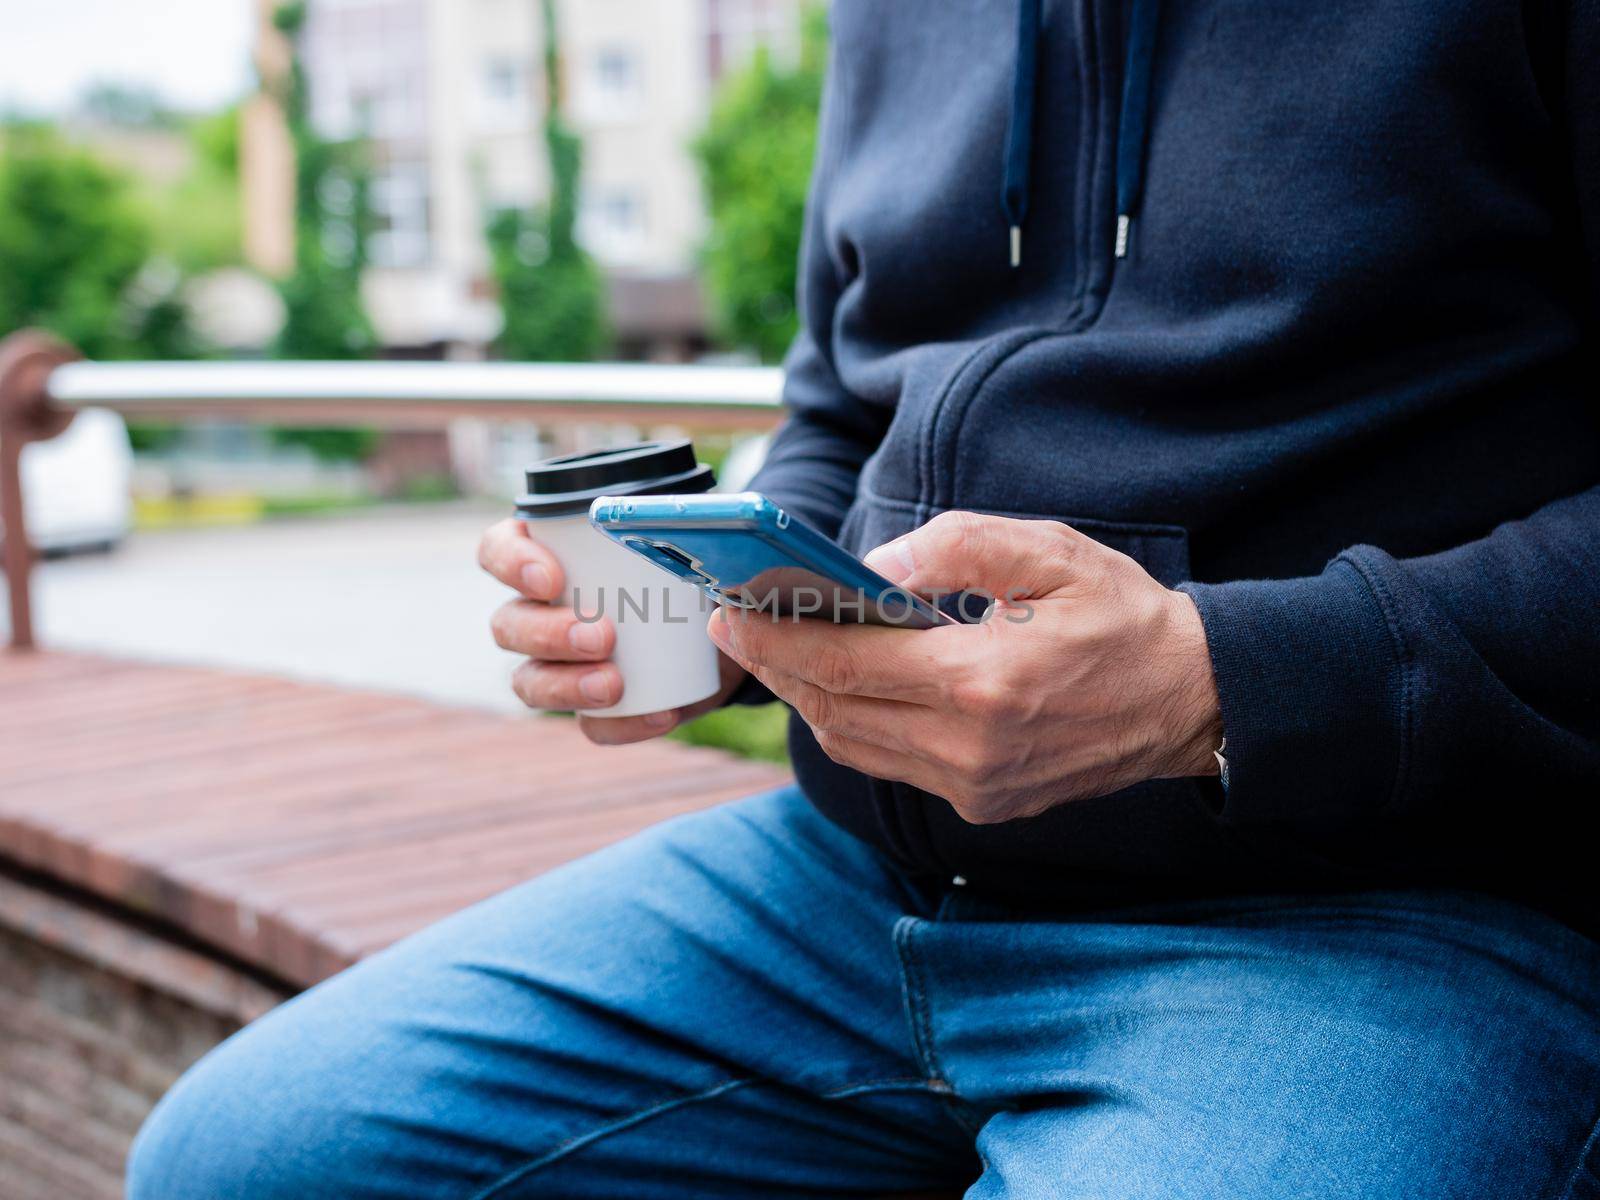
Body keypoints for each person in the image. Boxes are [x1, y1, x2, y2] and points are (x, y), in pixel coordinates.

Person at [129, 0, 1600, 1196]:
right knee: (237, 1160)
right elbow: (842, 396)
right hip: (852, 879)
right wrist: (732, 611)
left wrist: (1221, 682)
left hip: (1380, 911)